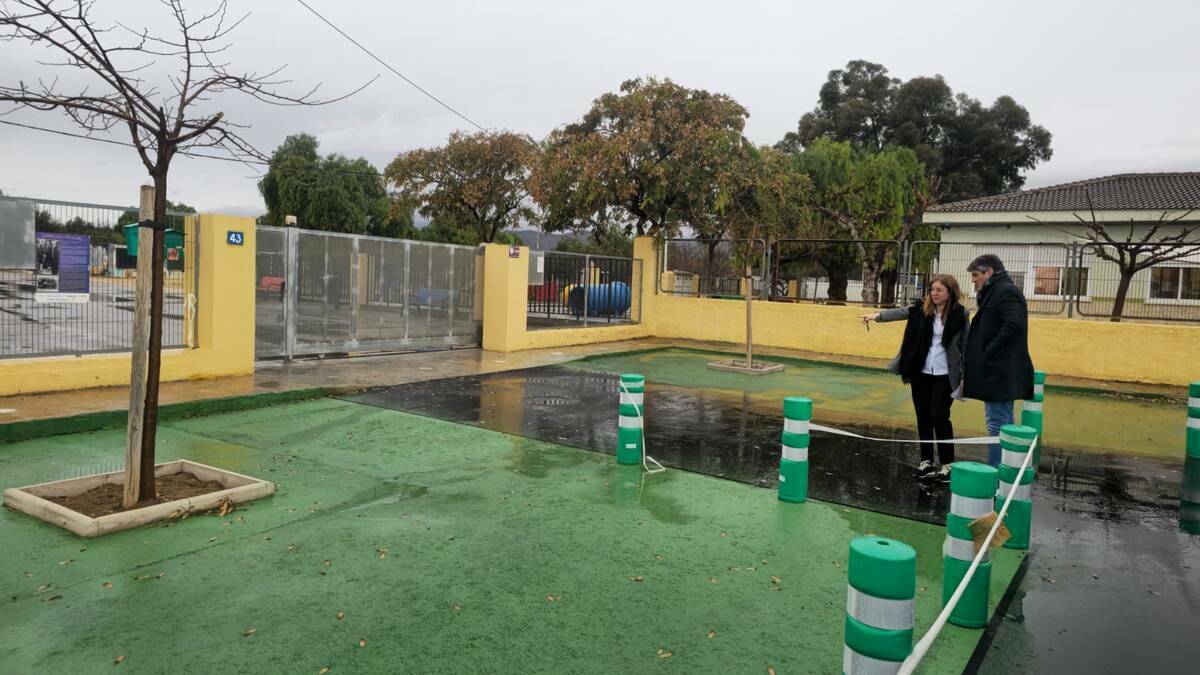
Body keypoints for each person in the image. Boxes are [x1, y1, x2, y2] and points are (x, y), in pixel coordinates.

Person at [860, 275, 970, 481]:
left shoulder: (961, 314)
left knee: (939, 416)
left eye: (939, 290)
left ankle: (948, 464)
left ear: (950, 292)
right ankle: (926, 461)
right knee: (923, 417)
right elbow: (900, 312)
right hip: (921, 372)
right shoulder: (922, 309)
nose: (934, 294)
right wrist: (877, 316)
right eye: (932, 289)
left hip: (945, 374)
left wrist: (965, 375)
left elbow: (966, 345)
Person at [963, 254, 1035, 466]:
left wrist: (989, 352)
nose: (973, 280)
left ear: (989, 272)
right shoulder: (995, 291)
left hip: (1000, 371)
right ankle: (1008, 469)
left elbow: (1014, 325)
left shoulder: (1005, 291)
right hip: (998, 369)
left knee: (997, 425)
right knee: (1004, 423)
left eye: (975, 275)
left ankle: (997, 473)